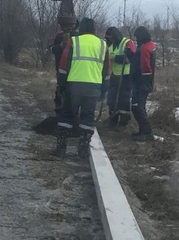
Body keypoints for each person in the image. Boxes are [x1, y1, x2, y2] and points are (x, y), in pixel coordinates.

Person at [53, 17, 110, 159]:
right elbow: (107, 72)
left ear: (81, 28)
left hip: (74, 86)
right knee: (87, 118)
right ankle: (83, 150)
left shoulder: (74, 41)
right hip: (93, 88)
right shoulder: (103, 45)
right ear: (94, 29)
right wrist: (104, 91)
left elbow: (63, 66)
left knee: (66, 116)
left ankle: (61, 149)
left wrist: (61, 85)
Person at [104, 27, 136, 130]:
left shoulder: (127, 42)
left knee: (124, 99)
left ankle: (123, 122)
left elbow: (132, 58)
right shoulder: (110, 44)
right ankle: (112, 120)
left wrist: (117, 57)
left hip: (125, 76)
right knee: (111, 98)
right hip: (114, 75)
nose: (110, 40)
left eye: (111, 38)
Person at [130, 26, 156, 141]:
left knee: (137, 107)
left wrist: (141, 82)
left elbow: (145, 66)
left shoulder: (145, 48)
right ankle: (143, 131)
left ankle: (147, 133)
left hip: (141, 83)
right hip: (144, 82)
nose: (136, 40)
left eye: (137, 37)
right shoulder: (149, 45)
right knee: (140, 107)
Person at [49, 20, 79, 113]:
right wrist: (61, 46)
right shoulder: (58, 35)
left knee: (74, 92)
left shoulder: (79, 37)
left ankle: (72, 111)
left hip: (76, 70)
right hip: (61, 68)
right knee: (61, 89)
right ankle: (59, 109)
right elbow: (51, 49)